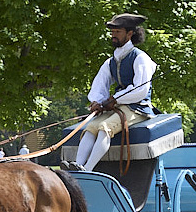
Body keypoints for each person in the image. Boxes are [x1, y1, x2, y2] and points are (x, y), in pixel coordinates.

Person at [63, 13, 157, 171]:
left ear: (130, 33)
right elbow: (100, 84)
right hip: (118, 106)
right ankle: (76, 167)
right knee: (91, 128)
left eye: (117, 32)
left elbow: (140, 89)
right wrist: (96, 102)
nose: (113, 35)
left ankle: (88, 169)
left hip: (138, 108)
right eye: (112, 32)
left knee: (105, 127)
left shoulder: (140, 58)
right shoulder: (111, 61)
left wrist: (115, 99)